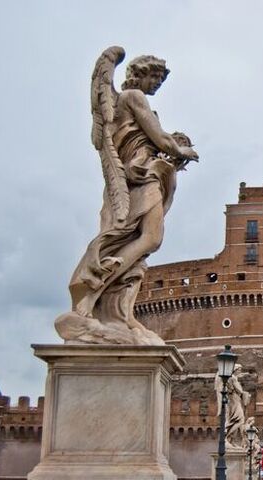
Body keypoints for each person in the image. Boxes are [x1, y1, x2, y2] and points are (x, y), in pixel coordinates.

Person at [57, 48, 198, 345]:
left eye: (161, 78)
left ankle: (118, 313)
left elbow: (149, 138)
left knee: (141, 243)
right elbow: (159, 139)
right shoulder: (133, 97)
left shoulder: (125, 104)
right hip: (140, 177)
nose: (158, 83)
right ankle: (92, 291)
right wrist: (181, 150)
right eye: (155, 76)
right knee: (150, 237)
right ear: (139, 73)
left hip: (141, 176)